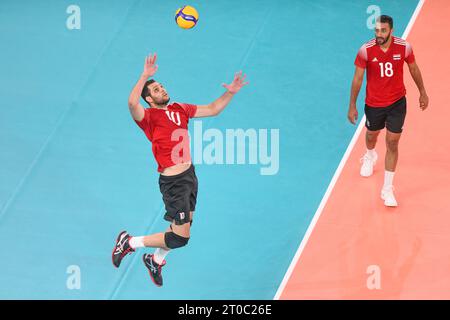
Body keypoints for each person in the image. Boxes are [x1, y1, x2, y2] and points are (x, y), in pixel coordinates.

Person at [112, 53, 248, 286]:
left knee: (182, 228)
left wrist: (231, 92)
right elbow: (131, 103)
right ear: (150, 100)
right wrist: (145, 75)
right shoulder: (148, 117)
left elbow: (213, 109)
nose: (162, 90)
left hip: (189, 176)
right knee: (179, 238)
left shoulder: (180, 108)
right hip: (173, 182)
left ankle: (156, 260)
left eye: (162, 87)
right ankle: (129, 242)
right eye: (156, 90)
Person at [348, 15, 429, 207]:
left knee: (392, 142)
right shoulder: (365, 50)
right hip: (374, 104)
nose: (379, 34)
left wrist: (423, 92)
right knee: (371, 136)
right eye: (376, 31)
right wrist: (352, 105)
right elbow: (358, 79)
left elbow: (414, 69)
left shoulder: (404, 47)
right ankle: (370, 155)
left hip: (397, 103)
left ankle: (387, 189)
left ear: (391, 31)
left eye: (383, 31)